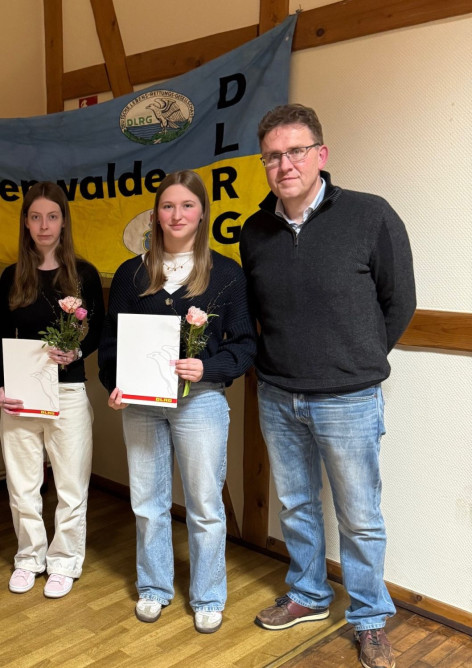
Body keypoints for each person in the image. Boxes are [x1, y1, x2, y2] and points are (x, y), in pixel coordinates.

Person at [240, 104, 416, 668]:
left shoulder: (370, 215)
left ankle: (369, 618)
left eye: (296, 151)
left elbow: (399, 301)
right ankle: (309, 595)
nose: (284, 164)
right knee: (296, 505)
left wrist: (358, 359)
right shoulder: (255, 230)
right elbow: (256, 310)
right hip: (277, 394)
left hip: (349, 398)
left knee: (360, 516)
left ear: (321, 154)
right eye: (273, 156)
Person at [98, 170, 256, 633]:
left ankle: (208, 595)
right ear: (155, 215)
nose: (177, 215)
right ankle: (154, 586)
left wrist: (209, 368)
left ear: (202, 212)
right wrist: (115, 383)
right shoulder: (131, 274)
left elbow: (244, 345)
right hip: (141, 404)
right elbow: (111, 342)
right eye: (168, 206)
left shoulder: (226, 275)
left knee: (204, 504)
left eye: (187, 205)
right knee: (147, 501)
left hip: (200, 402)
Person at [0, 181, 103, 599]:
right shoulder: (11, 276)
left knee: (71, 486)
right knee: (23, 486)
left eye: (52, 217)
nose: (44, 226)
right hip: (21, 394)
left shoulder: (83, 275)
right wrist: (0, 387)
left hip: (68, 393)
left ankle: (64, 562)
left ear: (63, 222)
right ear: (26, 222)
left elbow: (98, 332)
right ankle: (29, 558)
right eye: (36, 217)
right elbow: (3, 337)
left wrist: (76, 352)